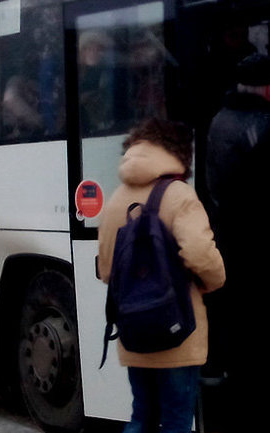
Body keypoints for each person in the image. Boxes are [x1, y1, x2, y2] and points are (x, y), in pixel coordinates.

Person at [98, 118, 226, 433]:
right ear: (178, 152)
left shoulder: (117, 198)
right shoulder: (179, 194)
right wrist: (213, 282)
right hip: (177, 333)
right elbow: (200, 254)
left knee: (141, 416)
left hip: (134, 332)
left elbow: (106, 270)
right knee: (177, 421)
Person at [205, 52, 270, 432]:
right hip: (254, 242)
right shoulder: (260, 124)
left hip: (228, 241)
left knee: (237, 324)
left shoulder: (220, 119)